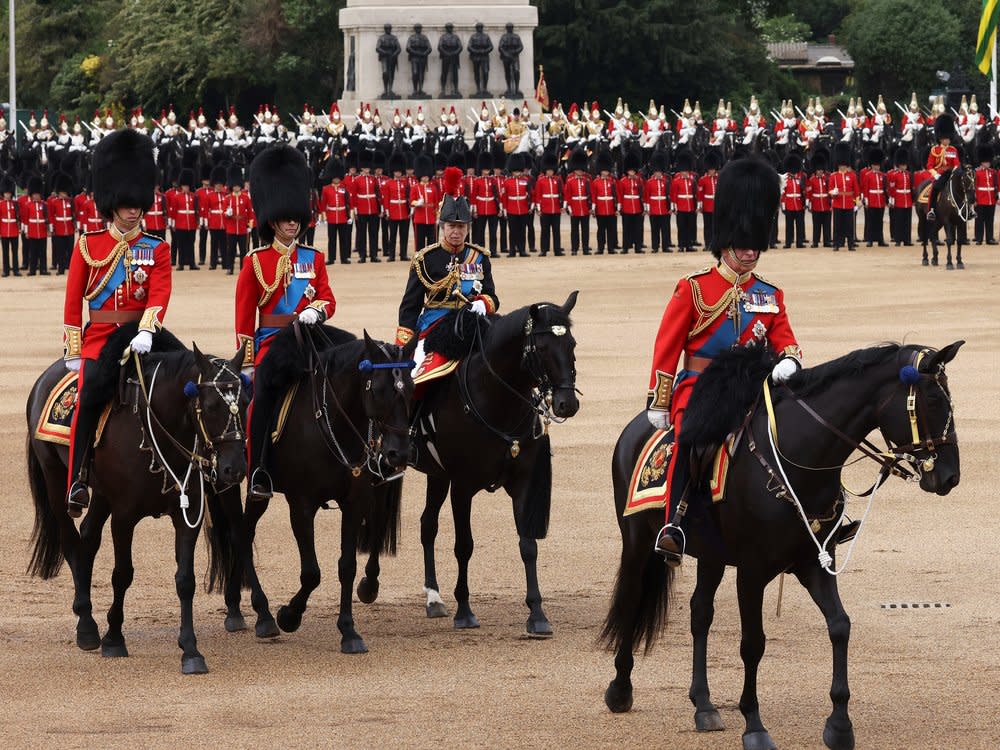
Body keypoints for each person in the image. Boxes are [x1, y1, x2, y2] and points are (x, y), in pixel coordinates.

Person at [647, 156, 802, 565]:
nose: (751, 253)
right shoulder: (694, 288)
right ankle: (674, 523)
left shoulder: (770, 294)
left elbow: (788, 342)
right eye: (744, 245)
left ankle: (815, 516)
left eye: (756, 246)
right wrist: (660, 401)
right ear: (727, 241)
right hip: (702, 387)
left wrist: (788, 361)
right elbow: (667, 347)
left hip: (755, 388)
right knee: (691, 437)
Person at [63, 129, 172, 516]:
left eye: (137, 203)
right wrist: (75, 350)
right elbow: (73, 300)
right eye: (126, 203)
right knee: (89, 395)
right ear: (111, 203)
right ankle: (76, 479)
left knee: (189, 381)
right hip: (101, 338)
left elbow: (159, 294)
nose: (134, 210)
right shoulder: (87, 245)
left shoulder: (156, 248)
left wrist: (147, 328)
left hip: (143, 334)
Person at [234, 144, 336, 502]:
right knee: (261, 400)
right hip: (272, 341)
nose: (292, 222)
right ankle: (259, 468)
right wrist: (247, 362)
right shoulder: (255, 262)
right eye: (286, 217)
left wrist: (316, 311)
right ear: (272, 219)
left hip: (310, 336)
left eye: (296, 217)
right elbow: (245, 318)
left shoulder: (314, 257)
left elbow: (328, 299)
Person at [395, 165, 498, 373]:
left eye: (461, 227)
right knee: (416, 376)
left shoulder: (479, 257)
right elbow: (410, 306)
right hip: (435, 325)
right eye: (451, 226)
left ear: (468, 229)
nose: (456, 232)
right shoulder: (425, 258)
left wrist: (483, 304)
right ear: (442, 227)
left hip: (474, 322)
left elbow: (493, 297)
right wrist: (404, 344)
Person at [925, 114, 960, 223]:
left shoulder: (953, 150)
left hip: (951, 174)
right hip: (939, 175)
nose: (947, 141)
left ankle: (968, 210)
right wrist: (935, 174)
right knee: (935, 188)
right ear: (940, 138)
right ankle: (931, 210)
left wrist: (955, 170)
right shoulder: (934, 150)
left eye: (949, 138)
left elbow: (956, 163)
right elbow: (929, 165)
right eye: (945, 138)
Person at [319, 157, 353, 264]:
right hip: (332, 217)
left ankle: (344, 258)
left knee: (343, 239)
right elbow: (323, 204)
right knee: (332, 239)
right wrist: (323, 217)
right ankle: (331, 258)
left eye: (338, 177)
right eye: (335, 177)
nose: (337, 179)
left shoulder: (344, 188)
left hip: (343, 216)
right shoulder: (326, 189)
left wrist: (350, 215)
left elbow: (349, 203)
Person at [829, 143, 859, 251]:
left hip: (849, 204)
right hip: (837, 203)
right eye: (840, 165)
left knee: (849, 226)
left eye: (844, 165)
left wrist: (857, 203)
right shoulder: (834, 176)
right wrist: (834, 192)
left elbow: (856, 191)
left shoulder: (852, 176)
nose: (842, 166)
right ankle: (836, 244)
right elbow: (830, 190)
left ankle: (851, 244)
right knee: (837, 226)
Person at [534, 151, 564, 256]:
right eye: (548, 170)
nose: (550, 172)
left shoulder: (558, 180)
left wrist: (562, 206)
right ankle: (544, 250)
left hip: (555, 208)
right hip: (545, 209)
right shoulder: (540, 181)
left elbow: (561, 193)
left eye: (551, 170)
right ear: (545, 170)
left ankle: (557, 249)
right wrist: (538, 209)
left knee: (556, 230)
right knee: (545, 231)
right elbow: (538, 196)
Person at [563, 148, 592, 255]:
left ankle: (585, 248)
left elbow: (590, 195)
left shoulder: (587, 180)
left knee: (585, 230)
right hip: (574, 208)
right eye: (578, 169)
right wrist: (568, 208)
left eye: (581, 169)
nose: (580, 171)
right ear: (574, 169)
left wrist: (591, 208)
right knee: (574, 230)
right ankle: (574, 248)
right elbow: (568, 195)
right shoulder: (570, 181)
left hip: (584, 208)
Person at [48, 173, 76, 274]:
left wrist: (75, 225)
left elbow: (74, 214)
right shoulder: (54, 202)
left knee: (70, 250)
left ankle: (71, 268)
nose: (64, 194)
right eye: (63, 192)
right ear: (59, 192)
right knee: (60, 251)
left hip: (69, 228)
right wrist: (52, 229)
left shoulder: (70, 201)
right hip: (59, 229)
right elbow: (51, 215)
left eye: (65, 192)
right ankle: (61, 269)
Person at [860, 149, 888, 247]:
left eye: (878, 165)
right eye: (875, 165)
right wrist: (866, 201)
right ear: (872, 165)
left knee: (879, 221)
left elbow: (884, 189)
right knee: (871, 222)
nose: (877, 167)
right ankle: (870, 240)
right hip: (871, 201)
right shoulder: (868, 175)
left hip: (880, 201)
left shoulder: (882, 175)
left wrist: (886, 200)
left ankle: (880, 240)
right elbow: (866, 189)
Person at [886, 148, 913, 246]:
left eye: (905, 165)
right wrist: (892, 201)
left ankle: (907, 240)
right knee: (899, 221)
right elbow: (892, 189)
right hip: (899, 200)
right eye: (902, 165)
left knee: (907, 221)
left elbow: (911, 188)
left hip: (907, 200)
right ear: (899, 165)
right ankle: (898, 240)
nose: (904, 167)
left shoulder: (908, 174)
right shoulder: (894, 175)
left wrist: (912, 200)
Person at [806, 149, 832, 247]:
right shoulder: (811, 180)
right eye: (819, 170)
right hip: (816, 205)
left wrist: (831, 202)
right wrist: (808, 204)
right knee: (816, 225)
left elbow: (829, 191)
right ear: (816, 170)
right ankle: (815, 242)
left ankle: (827, 241)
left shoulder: (827, 179)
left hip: (826, 205)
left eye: (821, 170)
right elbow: (809, 193)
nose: (820, 172)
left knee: (827, 225)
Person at [780, 154, 806, 248]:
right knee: (789, 226)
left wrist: (805, 203)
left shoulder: (799, 178)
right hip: (789, 205)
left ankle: (799, 243)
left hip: (798, 205)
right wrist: (783, 206)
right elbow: (783, 194)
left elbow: (803, 192)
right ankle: (788, 243)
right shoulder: (786, 180)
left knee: (799, 225)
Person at [973, 145, 997, 245]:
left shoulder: (993, 172)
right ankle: (978, 238)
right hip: (980, 199)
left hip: (991, 199)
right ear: (982, 162)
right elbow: (974, 187)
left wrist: (997, 198)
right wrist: (974, 200)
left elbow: (995, 186)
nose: (988, 163)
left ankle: (989, 238)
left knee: (989, 220)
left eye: (988, 162)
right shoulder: (977, 172)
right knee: (979, 220)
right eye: (986, 162)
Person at [0, 175, 21, 276]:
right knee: (5, 252)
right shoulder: (1, 204)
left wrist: (20, 228)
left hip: (14, 230)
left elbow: (19, 217)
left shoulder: (15, 204)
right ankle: (6, 270)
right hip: (4, 231)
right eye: (6, 193)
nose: (7, 195)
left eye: (8, 193)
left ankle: (16, 269)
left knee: (15, 252)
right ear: (3, 194)